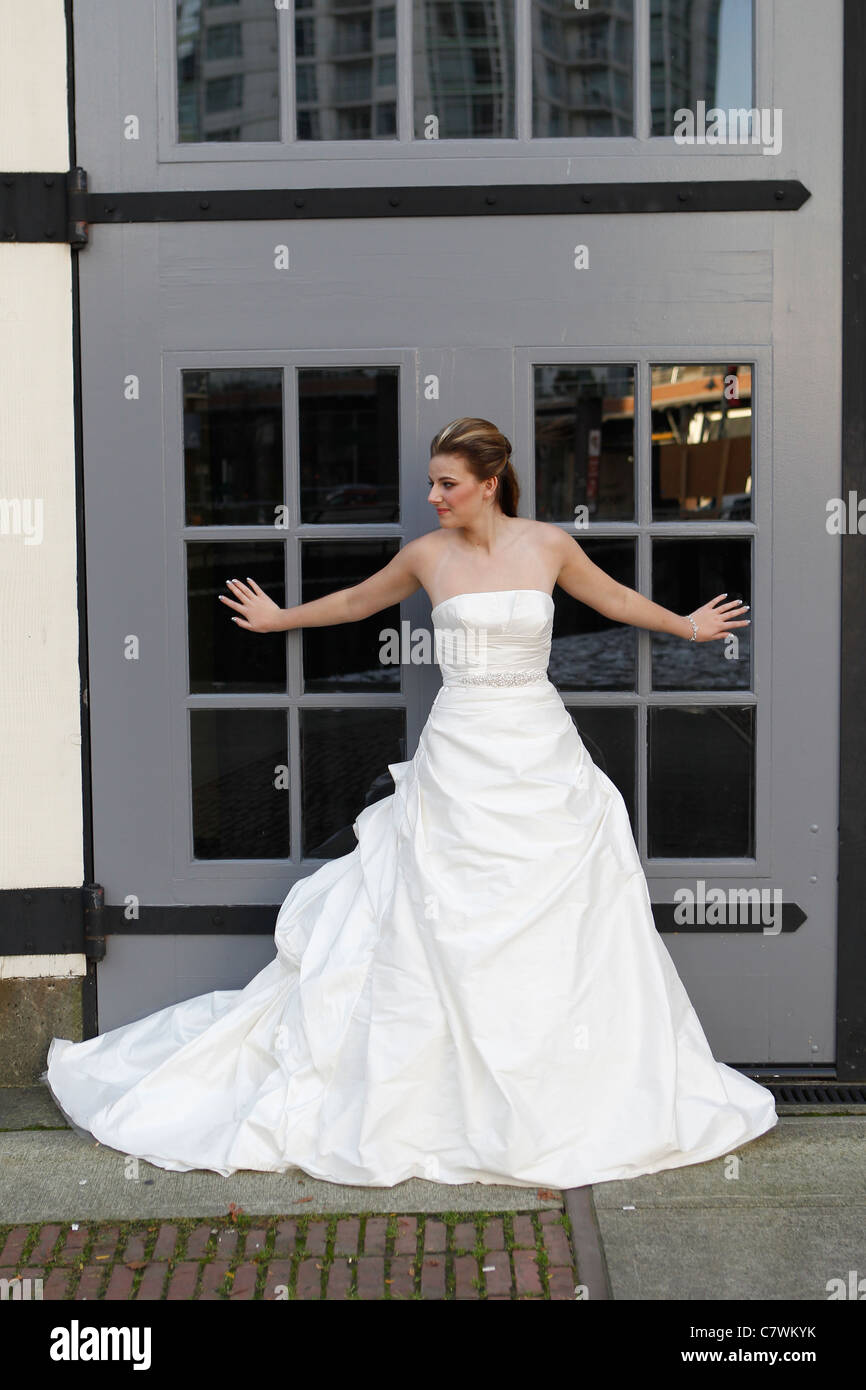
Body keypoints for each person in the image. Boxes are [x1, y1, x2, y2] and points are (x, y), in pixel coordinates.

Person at [44, 417, 777, 1188]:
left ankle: (564, 1086)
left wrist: (686, 625)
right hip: (460, 749)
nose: (432, 496)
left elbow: (616, 596)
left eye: (446, 483)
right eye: (432, 481)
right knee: (438, 911)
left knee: (563, 910)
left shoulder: (549, 546)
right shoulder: (428, 555)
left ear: (489, 483)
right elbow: (360, 602)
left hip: (539, 748)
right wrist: (279, 618)